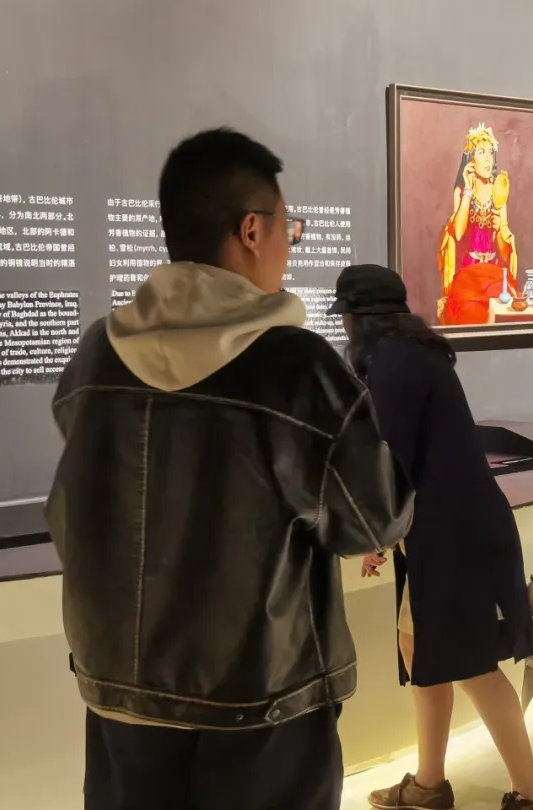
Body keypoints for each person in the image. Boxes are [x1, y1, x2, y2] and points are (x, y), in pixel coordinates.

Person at [45, 128, 414, 810]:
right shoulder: (295, 365)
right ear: (251, 229)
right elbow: (374, 520)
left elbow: (72, 510)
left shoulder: (99, 355)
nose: (287, 245)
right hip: (264, 699)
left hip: (120, 697)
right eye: (288, 228)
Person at [328, 264, 533, 810]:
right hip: (451, 532)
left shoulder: (390, 363)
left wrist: (371, 531)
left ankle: (531, 796)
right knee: (422, 651)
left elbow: (390, 459)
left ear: (357, 319)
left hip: (452, 539)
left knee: (471, 665)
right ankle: (428, 784)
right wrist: (385, 536)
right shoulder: (414, 352)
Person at [436, 122, 518, 325]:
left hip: (494, 270)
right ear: (470, 159)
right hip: (469, 272)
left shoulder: (499, 190)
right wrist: (468, 189)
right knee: (469, 310)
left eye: (491, 153)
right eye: (481, 152)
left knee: (504, 306)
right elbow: (458, 232)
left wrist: (500, 229)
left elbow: (504, 251)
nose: (488, 159)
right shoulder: (461, 191)